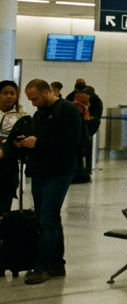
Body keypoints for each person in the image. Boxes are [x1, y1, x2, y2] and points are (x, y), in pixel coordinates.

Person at [16, 80, 83, 284]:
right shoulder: (40, 114)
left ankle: (42, 266)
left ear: (47, 92)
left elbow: (71, 141)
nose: (33, 103)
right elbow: (40, 138)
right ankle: (56, 263)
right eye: (30, 100)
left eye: (35, 98)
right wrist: (26, 141)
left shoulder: (67, 110)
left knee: (47, 219)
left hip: (58, 171)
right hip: (40, 171)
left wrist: (39, 142)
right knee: (49, 218)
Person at [0, 80, 24, 214]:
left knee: (3, 205)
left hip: (7, 166)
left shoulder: (22, 117)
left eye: (12, 93)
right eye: (5, 93)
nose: (9, 96)